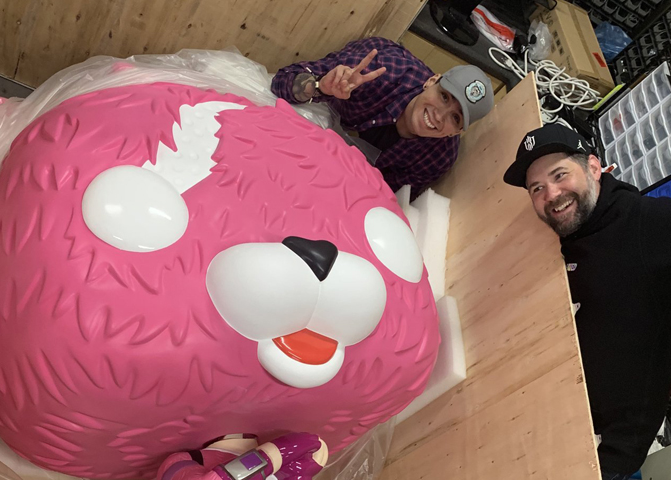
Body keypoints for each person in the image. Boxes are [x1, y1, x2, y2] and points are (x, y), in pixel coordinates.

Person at [503, 123, 671, 480]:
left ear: (594, 167)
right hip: (550, 408)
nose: (551, 195)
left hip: (604, 451)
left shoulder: (646, 225)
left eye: (560, 175)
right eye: (537, 188)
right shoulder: (573, 230)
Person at [271, 37, 494, 201]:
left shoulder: (439, 156)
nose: (439, 115)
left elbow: (384, 198)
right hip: (305, 128)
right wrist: (321, 86)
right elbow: (282, 81)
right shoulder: (379, 70)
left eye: (455, 118)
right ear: (431, 81)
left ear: (457, 132)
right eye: (444, 97)